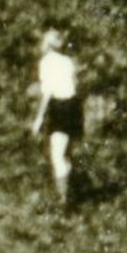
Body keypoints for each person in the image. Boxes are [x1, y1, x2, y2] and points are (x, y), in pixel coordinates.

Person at [29, 29, 82, 204]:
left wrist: (38, 119)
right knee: (65, 153)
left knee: (57, 155)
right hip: (74, 106)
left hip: (60, 106)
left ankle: (63, 199)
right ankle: (67, 194)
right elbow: (74, 85)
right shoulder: (68, 61)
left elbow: (47, 93)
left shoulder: (46, 62)